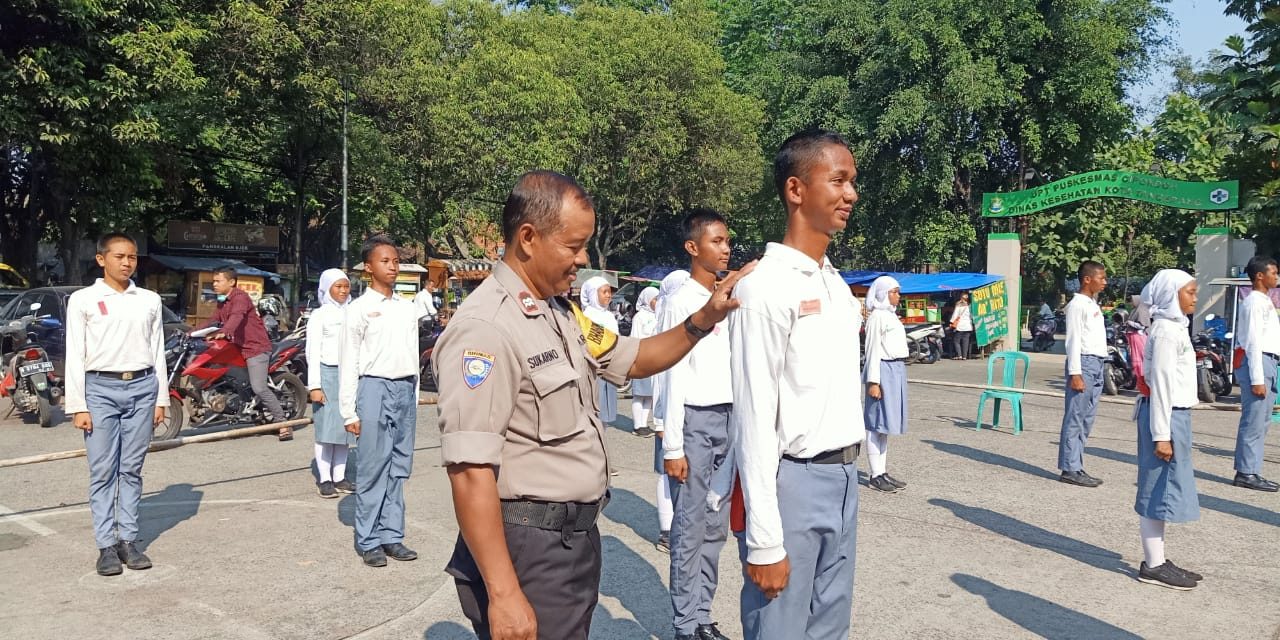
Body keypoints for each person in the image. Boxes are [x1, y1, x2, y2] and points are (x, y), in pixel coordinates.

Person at [435, 170, 748, 640]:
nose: (583, 259)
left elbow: (637, 357)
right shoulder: (486, 329)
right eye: (573, 245)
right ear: (527, 238)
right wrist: (503, 593)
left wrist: (704, 318)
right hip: (528, 547)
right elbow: (470, 471)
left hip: (571, 541)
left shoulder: (561, 313)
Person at [730, 129, 865, 639]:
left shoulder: (832, 282)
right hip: (794, 485)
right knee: (779, 629)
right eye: (838, 180)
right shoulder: (764, 287)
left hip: (844, 476)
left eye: (852, 182)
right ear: (795, 190)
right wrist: (765, 539)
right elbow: (755, 417)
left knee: (830, 628)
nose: (850, 194)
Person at [65, 233, 169, 576]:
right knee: (103, 470)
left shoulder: (149, 300)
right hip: (99, 390)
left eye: (133, 257)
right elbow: (74, 355)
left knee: (132, 468)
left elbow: (157, 352)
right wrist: (79, 405)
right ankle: (106, 546)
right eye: (120, 256)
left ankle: (128, 539)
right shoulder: (83, 300)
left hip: (142, 387)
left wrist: (161, 398)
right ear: (101, 259)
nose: (127, 263)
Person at [657, 209, 735, 640]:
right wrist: (673, 446)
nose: (725, 248)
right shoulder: (681, 300)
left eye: (726, 241)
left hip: (728, 418)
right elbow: (672, 372)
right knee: (689, 527)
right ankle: (685, 624)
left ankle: (703, 615)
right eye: (716, 241)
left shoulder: (728, 297)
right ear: (693, 247)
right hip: (694, 421)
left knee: (714, 526)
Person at [340, 236, 421, 567]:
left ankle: (392, 535)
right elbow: (349, 362)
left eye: (396, 260)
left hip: (404, 389)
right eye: (385, 261)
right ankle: (369, 539)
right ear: (368, 267)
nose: (393, 266)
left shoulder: (407, 307)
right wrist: (348, 411)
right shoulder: (358, 310)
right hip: (373, 389)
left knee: (398, 467)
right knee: (373, 468)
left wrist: (413, 397)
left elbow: (413, 355)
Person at [1133, 269, 1204, 590]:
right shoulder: (1163, 332)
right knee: (1154, 489)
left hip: (1176, 416)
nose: (1194, 297)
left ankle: (1158, 557)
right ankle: (1153, 564)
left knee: (1164, 490)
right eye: (1189, 292)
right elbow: (1160, 386)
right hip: (1165, 418)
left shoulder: (1174, 328)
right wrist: (1161, 435)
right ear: (1171, 294)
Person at [197, 267, 289, 440]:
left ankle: (282, 422)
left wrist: (226, 331)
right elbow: (213, 319)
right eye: (214, 281)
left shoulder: (240, 297)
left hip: (255, 347)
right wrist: (192, 332)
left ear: (231, 282)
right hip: (236, 347)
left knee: (259, 387)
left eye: (218, 281)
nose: (214, 284)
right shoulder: (223, 300)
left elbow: (236, 317)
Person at [1231, 256, 1280, 492]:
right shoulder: (1253, 302)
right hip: (1257, 360)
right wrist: (1258, 379)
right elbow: (1252, 343)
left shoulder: (1265, 301)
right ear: (1260, 276)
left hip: (1269, 360)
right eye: (1274, 273)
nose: (1276, 277)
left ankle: (1252, 469)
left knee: (1262, 421)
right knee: (1253, 420)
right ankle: (1246, 472)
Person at [1058, 260, 1108, 487]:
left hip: (1097, 363)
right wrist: (1075, 373)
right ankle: (1070, 468)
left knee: (1087, 417)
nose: (1104, 282)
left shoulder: (1092, 303)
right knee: (1075, 417)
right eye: (1101, 278)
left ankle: (1076, 463)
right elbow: (1073, 340)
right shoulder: (1078, 305)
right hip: (1084, 364)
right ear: (1087, 279)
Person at [306, 268, 355, 499]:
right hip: (327, 374)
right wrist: (314, 386)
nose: (343, 291)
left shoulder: (353, 312)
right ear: (327, 289)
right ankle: (325, 479)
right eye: (338, 287)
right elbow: (312, 352)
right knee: (326, 430)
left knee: (346, 428)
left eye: (346, 286)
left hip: (349, 375)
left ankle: (340, 477)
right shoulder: (320, 315)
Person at [652, 269, 691, 553]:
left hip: (685, 410)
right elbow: (661, 375)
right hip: (666, 411)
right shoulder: (666, 317)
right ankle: (667, 531)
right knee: (667, 474)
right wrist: (659, 419)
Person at [863, 276, 909, 494]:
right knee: (875, 425)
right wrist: (873, 381)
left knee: (886, 425)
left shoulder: (891, 316)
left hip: (895, 370)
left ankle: (882, 471)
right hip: (882, 370)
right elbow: (872, 350)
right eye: (894, 292)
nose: (898, 296)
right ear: (883, 293)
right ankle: (874, 474)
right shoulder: (877, 317)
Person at [579, 276, 620, 424]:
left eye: (609, 292)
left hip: (610, 367)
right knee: (595, 407)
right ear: (593, 294)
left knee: (607, 410)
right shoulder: (587, 316)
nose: (608, 295)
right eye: (604, 292)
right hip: (595, 369)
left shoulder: (609, 315)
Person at [628, 287, 661, 438]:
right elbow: (635, 338)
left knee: (649, 394)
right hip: (641, 358)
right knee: (639, 394)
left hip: (654, 359)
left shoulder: (658, 316)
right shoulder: (639, 317)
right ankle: (637, 425)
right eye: (654, 299)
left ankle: (644, 423)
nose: (657, 302)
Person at [950, 292, 973, 360]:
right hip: (968, 326)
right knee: (965, 342)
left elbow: (954, 316)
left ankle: (959, 355)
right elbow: (971, 316)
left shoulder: (958, 305)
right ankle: (964, 356)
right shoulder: (970, 306)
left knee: (956, 341)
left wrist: (951, 322)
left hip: (960, 326)